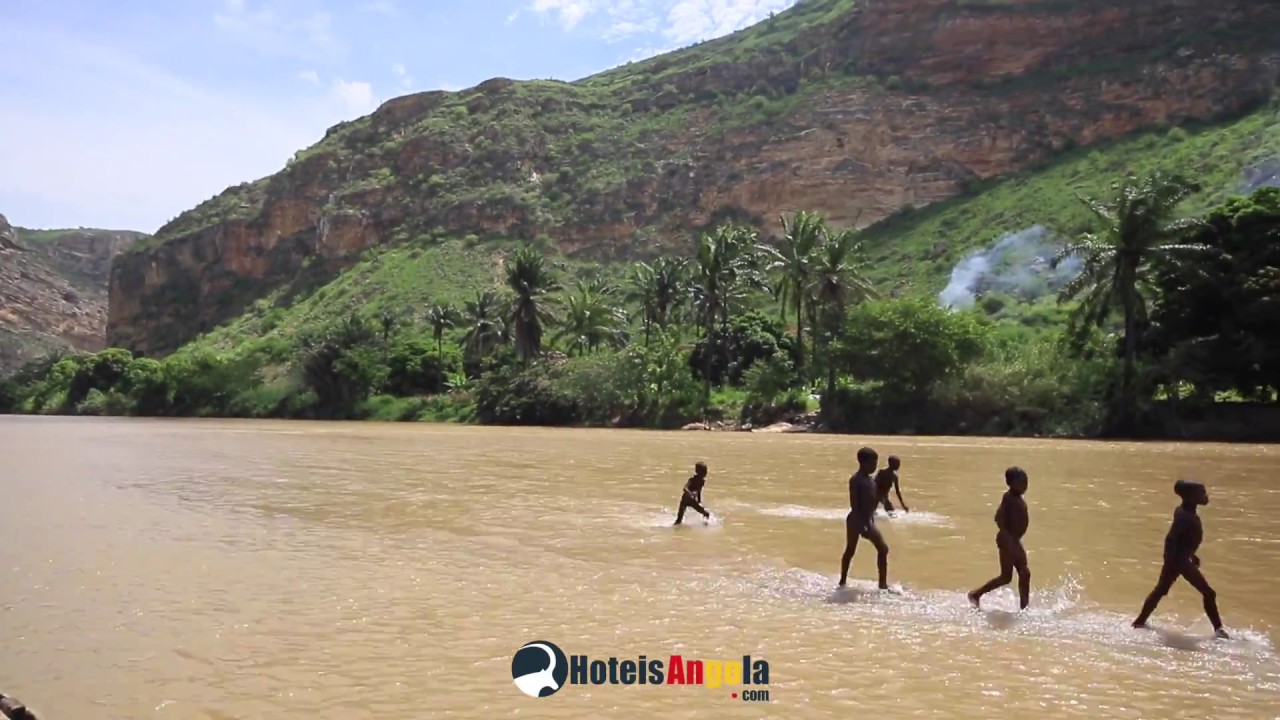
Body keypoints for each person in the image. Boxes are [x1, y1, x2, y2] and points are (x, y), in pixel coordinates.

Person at [1132, 480, 1228, 638]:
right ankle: (1219, 631)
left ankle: (1139, 622)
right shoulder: (1185, 517)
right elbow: (1172, 540)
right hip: (1180, 562)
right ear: (1190, 497)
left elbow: (1181, 540)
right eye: (1201, 493)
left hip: (1180, 559)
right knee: (1209, 593)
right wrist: (1179, 562)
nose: (1205, 496)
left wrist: (1190, 554)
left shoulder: (1183, 511)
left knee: (1160, 590)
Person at [968, 467, 1031, 610]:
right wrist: (1006, 536)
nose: (1025, 485)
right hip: (1008, 540)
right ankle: (976, 594)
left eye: (1026, 481)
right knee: (1010, 576)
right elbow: (998, 517)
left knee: (1022, 573)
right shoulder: (1008, 498)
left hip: (1014, 540)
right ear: (1011, 483)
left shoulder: (1018, 498)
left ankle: (1024, 607)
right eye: (1022, 482)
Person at [839, 447, 890, 590]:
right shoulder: (856, 480)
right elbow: (854, 504)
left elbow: (876, 498)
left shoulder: (871, 480)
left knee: (883, 549)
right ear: (862, 463)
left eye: (876, 463)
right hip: (856, 519)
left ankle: (883, 584)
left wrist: (886, 503)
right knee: (850, 550)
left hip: (869, 519)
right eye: (872, 463)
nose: (874, 467)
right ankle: (842, 581)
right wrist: (862, 524)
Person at [673, 461, 711, 525]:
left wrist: (699, 501)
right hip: (685, 500)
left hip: (692, 501)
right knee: (679, 520)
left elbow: (699, 491)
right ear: (698, 472)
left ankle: (704, 526)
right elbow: (685, 488)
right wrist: (690, 493)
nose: (706, 473)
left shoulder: (702, 481)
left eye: (706, 471)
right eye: (704, 471)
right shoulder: (692, 479)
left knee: (706, 513)